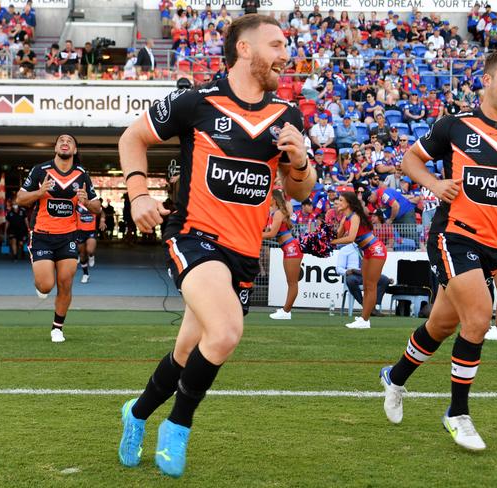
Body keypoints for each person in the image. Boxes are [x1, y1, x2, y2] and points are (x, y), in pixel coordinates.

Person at [117, 15, 315, 478]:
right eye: (277, 44)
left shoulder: (287, 116)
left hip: (245, 254)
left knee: (189, 351)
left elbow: (300, 191)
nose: (285, 54)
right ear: (244, 49)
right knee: (225, 332)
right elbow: (133, 137)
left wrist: (301, 162)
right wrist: (138, 194)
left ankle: (136, 413)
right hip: (196, 239)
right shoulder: (197, 101)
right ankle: (177, 426)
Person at [379, 48, 497, 451]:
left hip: (492, 244)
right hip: (453, 235)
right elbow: (409, 160)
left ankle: (395, 377)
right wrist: (436, 186)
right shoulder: (454, 126)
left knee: (440, 326)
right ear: (487, 80)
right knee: (477, 318)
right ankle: (457, 413)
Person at [16, 134, 100, 342]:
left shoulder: (81, 175)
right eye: (61, 140)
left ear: (75, 150)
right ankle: (39, 274)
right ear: (55, 147)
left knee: (65, 283)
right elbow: (20, 199)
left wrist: (86, 202)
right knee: (45, 286)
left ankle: (57, 328)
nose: (65, 143)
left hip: (68, 236)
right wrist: (39, 192)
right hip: (42, 235)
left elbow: (97, 207)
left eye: (69, 141)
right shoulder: (40, 171)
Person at [331, 191, 387, 329]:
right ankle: (364, 318)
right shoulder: (345, 218)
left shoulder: (355, 217)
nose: (338, 203)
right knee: (367, 286)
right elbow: (337, 235)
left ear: (349, 203)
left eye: (341, 201)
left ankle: (365, 319)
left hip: (376, 250)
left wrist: (333, 241)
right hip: (367, 251)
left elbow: (350, 238)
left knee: (370, 286)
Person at [263, 190, 303, 320]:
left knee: (292, 282)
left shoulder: (278, 213)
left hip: (291, 248)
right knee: (290, 282)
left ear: (274, 199)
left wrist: (253, 236)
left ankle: (286, 311)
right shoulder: (273, 213)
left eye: (268, 197)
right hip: (287, 248)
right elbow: (267, 231)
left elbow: (271, 234)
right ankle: (286, 310)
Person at [336, 242, 390, 317]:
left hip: (367, 274)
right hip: (354, 274)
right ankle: (365, 305)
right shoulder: (345, 249)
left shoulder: (369, 249)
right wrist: (348, 271)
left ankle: (372, 306)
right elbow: (338, 269)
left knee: (385, 280)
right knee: (351, 280)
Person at [75, 203, 103, 283]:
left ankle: (91, 255)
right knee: (82, 255)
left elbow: (102, 212)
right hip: (80, 232)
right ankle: (85, 274)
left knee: (90, 250)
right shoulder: (76, 205)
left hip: (91, 231)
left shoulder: (93, 204)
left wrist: (102, 220)